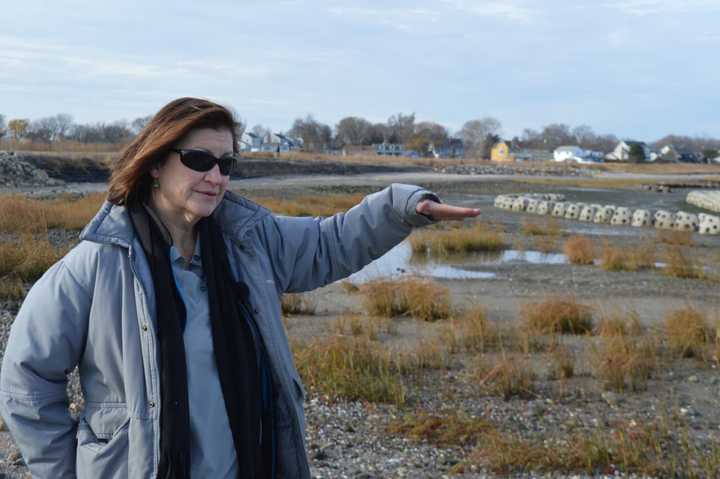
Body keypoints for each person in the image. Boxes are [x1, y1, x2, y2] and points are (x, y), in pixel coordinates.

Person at [0, 97, 480, 479]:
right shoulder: (96, 264)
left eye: (226, 164)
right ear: (153, 164)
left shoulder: (250, 244)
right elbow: (25, 378)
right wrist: (74, 470)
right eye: (197, 159)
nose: (215, 176)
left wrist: (401, 205)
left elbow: (329, 241)